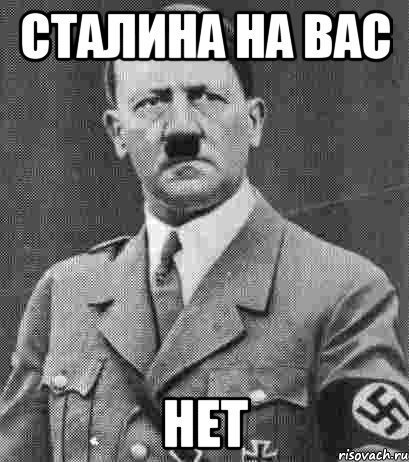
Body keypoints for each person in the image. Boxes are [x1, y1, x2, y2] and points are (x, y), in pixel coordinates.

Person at [1, 4, 409, 461]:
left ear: (253, 122)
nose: (182, 130)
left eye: (207, 98)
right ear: (117, 133)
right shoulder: (65, 296)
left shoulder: (342, 294)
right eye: (151, 103)